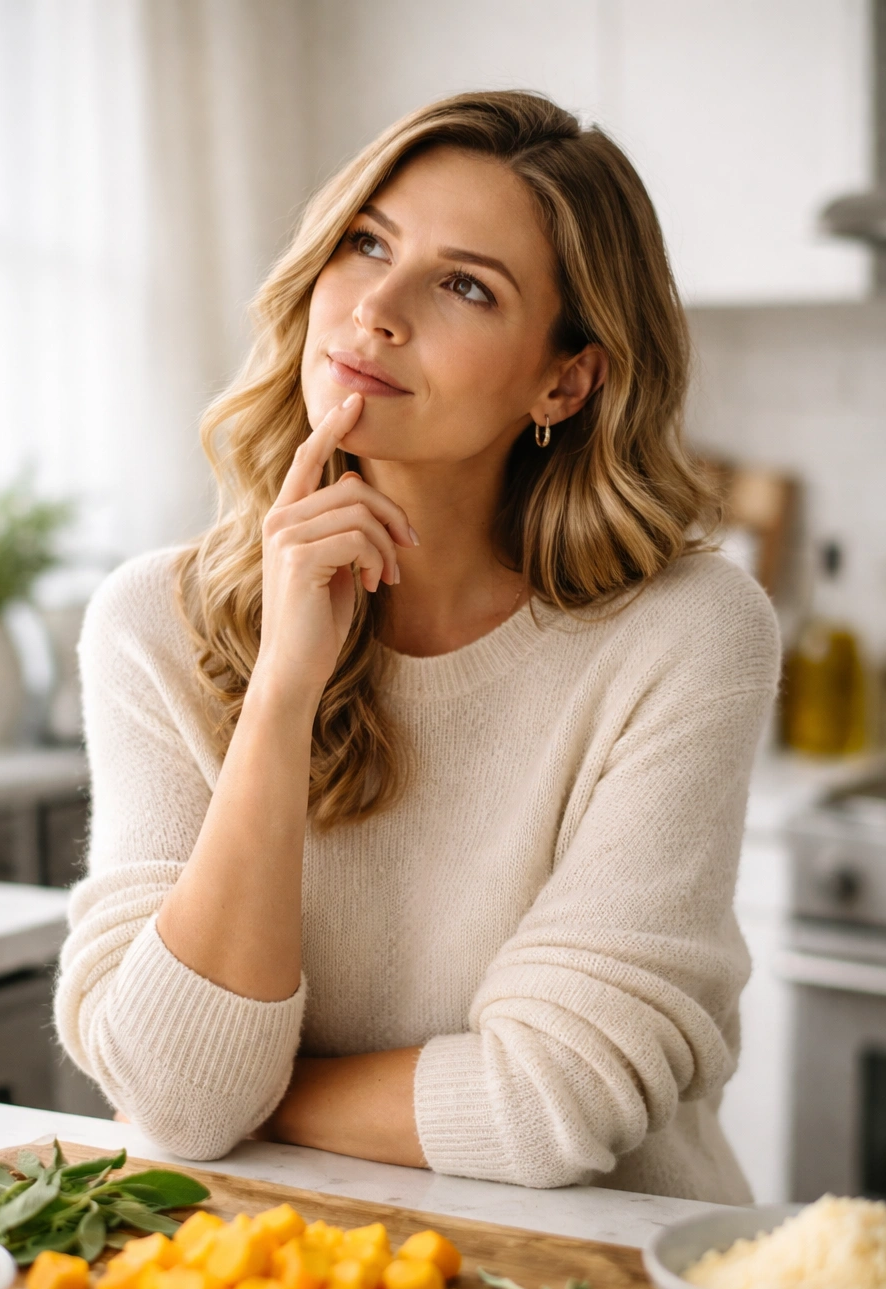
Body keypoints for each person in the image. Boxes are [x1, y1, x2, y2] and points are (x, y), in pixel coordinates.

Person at [55, 91, 779, 1202]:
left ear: (564, 379)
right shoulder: (153, 623)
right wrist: (284, 689)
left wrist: (251, 1097)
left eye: (465, 285)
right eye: (366, 244)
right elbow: (176, 1095)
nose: (377, 310)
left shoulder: (684, 633)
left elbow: (552, 1101)